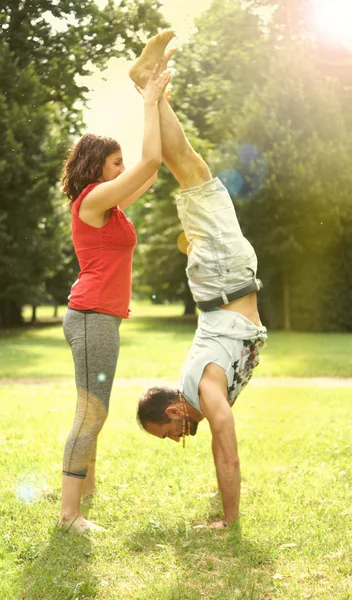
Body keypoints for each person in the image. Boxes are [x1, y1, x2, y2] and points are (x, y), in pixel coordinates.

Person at [131, 36, 268, 529]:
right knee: (187, 168)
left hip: (224, 276)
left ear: (173, 409)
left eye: (167, 432)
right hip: (221, 280)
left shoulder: (205, 391)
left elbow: (226, 448)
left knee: (191, 169)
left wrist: (227, 522)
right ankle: (152, 88)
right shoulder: (198, 393)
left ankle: (149, 88)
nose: (176, 439)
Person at [59, 44, 172, 532]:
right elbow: (148, 162)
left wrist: (159, 102)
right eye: (114, 163)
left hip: (101, 319)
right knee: (91, 414)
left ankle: (86, 490)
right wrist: (146, 99)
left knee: (94, 410)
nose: (122, 170)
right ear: (95, 168)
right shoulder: (92, 200)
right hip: (91, 318)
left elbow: (157, 160)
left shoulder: (111, 205)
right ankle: (69, 514)